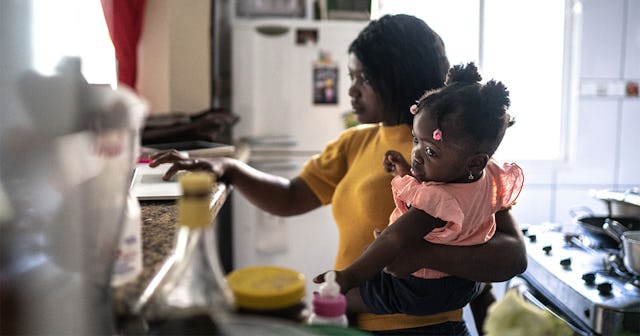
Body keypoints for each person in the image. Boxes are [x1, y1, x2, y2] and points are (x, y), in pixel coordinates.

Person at [149, 14, 527, 335]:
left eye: (362, 78)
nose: (351, 89)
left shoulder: (454, 158)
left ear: (392, 77)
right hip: (352, 321)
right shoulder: (355, 144)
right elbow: (291, 196)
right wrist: (229, 169)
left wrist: (426, 254)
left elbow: (511, 255)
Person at [313, 62, 524, 322]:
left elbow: (394, 239)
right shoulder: (489, 177)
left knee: (359, 296)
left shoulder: (438, 201)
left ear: (474, 161)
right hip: (465, 285)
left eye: (431, 152)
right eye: (416, 141)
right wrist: (404, 173)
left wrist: (348, 277)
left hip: (419, 290)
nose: (416, 156)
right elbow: (451, 205)